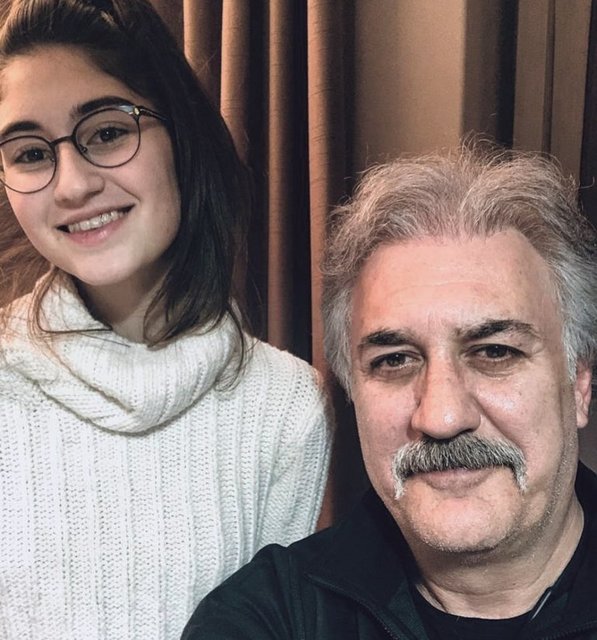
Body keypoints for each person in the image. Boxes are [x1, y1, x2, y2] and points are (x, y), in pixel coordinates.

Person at [0, 1, 331, 638]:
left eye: (106, 132)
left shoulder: (286, 407)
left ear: (180, 134)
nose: (71, 186)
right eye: (31, 153)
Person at [184, 146, 597, 640]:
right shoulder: (266, 617)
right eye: (395, 360)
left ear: (579, 382)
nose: (441, 416)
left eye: (494, 352)